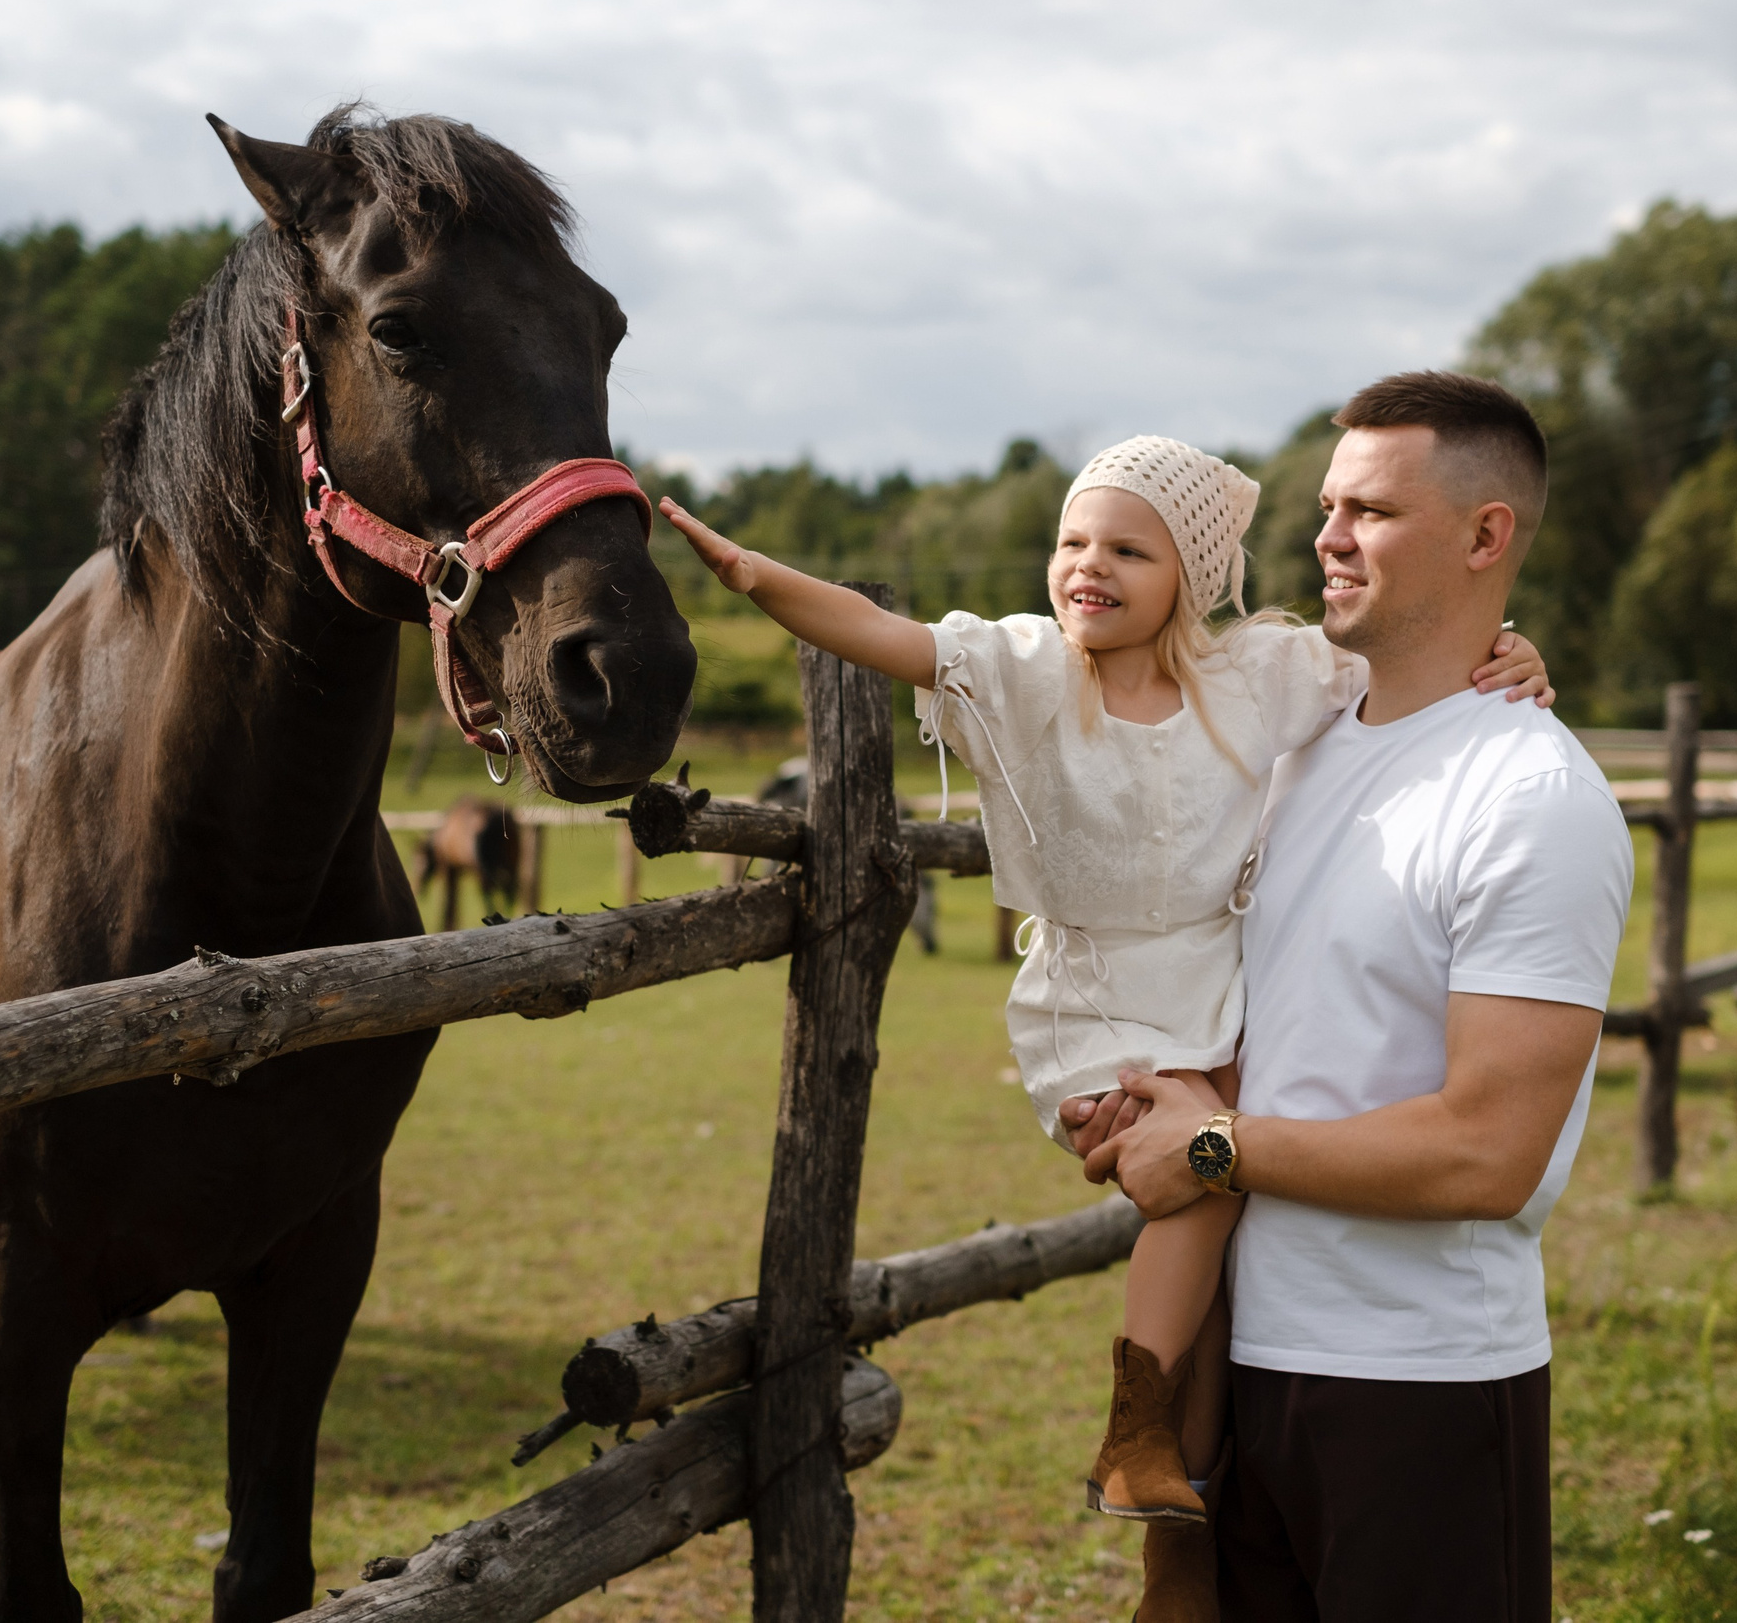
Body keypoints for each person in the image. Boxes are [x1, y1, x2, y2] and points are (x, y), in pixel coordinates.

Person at [660, 434, 1554, 1623]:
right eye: (1073, 541)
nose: (1089, 566)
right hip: (1094, 1003)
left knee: (1237, 1213)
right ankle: (1139, 1430)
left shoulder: (1250, 681)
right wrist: (751, 575)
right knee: (1212, 1179)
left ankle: (1180, 1509)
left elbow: (1406, 662)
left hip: (1212, 985)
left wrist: (1509, 652)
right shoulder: (1025, 675)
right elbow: (884, 638)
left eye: (1128, 548)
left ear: (1188, 572)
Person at [1069, 371, 1635, 1621]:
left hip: (1420, 1386)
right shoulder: (1290, 748)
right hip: (1246, 1371)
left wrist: (1208, 1149)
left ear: (1487, 537)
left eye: (1369, 511)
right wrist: (1142, 1110)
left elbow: (1487, 1153)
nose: (1326, 538)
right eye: (1328, 506)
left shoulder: (1530, 800)